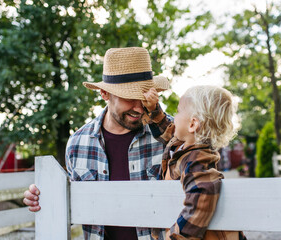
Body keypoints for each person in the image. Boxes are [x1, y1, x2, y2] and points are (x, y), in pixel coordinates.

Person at [23, 47, 171, 240]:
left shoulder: (170, 135)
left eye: (144, 97)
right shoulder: (77, 144)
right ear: (104, 93)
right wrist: (44, 197)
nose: (138, 107)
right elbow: (73, 207)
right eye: (129, 97)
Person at [144, 85, 246, 240]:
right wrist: (153, 109)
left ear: (192, 124)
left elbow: (202, 196)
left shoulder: (197, 158)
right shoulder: (184, 146)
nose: (174, 117)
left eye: (178, 112)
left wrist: (178, 236)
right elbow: (167, 131)